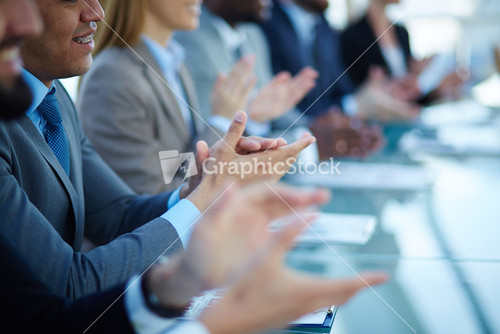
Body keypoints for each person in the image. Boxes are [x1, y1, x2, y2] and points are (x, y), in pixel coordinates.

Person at [1, 0, 315, 299]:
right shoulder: (113, 74)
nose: (96, 11)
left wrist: (194, 190)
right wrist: (206, 188)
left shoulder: (56, 99)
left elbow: (119, 213)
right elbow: (155, 176)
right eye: (69, 0)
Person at [79, 0, 263, 194]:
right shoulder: (112, 76)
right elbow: (153, 190)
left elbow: (173, 168)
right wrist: (221, 121)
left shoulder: (174, 61)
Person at [177, 0, 387, 159]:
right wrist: (308, 142)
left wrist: (321, 130)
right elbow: (208, 144)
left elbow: (273, 112)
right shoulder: (190, 38)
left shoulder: (253, 34)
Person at [261, 0, 420, 124]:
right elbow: (277, 114)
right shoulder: (262, 23)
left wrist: (383, 92)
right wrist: (355, 105)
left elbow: (340, 90)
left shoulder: (323, 26)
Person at [341, 0, 465, 103]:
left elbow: (410, 95)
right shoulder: (351, 36)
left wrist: (435, 87)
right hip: (377, 121)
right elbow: (355, 95)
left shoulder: (401, 32)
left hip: (404, 118)